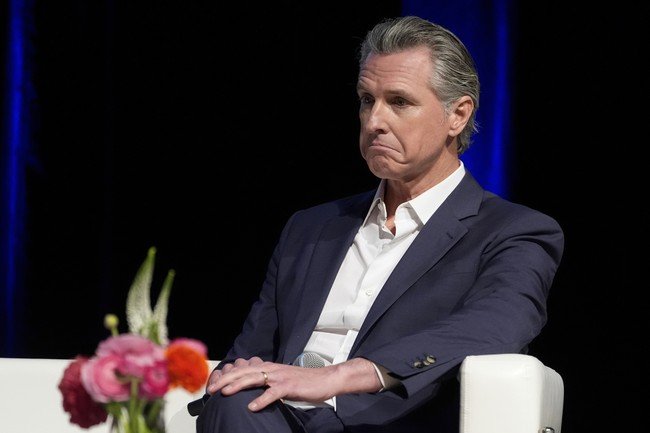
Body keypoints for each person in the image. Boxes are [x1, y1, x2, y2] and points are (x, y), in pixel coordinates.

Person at [195, 15, 564, 433]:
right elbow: (247, 355)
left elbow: (497, 326)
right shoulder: (311, 228)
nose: (374, 122)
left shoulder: (513, 231)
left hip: (385, 423)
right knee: (232, 400)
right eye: (367, 100)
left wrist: (342, 375)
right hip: (269, 420)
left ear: (458, 115)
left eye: (399, 102)